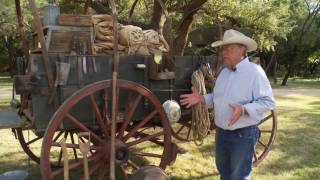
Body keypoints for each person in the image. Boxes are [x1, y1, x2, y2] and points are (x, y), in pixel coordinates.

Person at [180, 29, 275, 180]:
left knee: (239, 176)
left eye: (229, 48)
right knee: (224, 173)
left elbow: (268, 101)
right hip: (222, 134)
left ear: (242, 50)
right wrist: (202, 99)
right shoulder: (224, 73)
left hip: (243, 135)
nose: (224, 52)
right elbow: (218, 98)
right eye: (223, 48)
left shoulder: (255, 72)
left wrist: (244, 109)